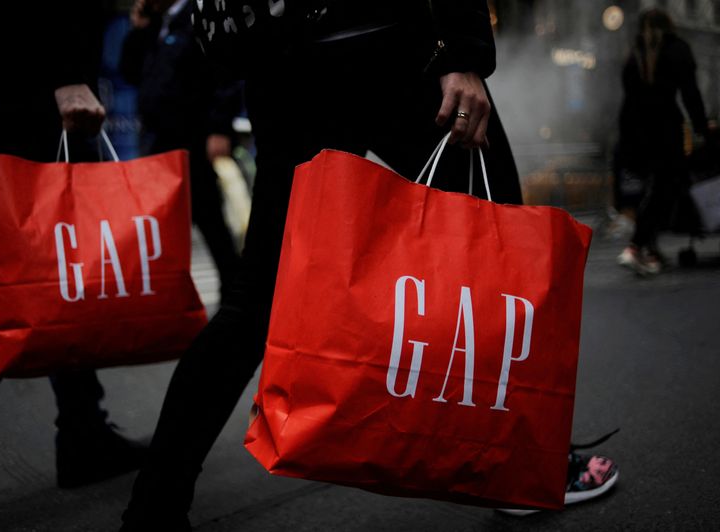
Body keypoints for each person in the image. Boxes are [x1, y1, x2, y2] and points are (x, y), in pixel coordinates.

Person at [119, 2, 617, 529]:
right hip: (391, 40)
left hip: (288, 65)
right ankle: (520, 468)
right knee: (499, 251)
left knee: (258, 298)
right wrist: (462, 52)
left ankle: (155, 507)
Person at [0, 2, 145, 528]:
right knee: (51, 285)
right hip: (33, 87)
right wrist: (66, 76)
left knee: (59, 276)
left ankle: (84, 429)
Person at [119, 0, 242, 300]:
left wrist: (219, 128)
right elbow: (130, 72)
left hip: (192, 142)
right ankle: (168, 301)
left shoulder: (197, 15)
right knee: (163, 230)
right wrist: (139, 31)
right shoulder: (158, 25)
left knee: (210, 220)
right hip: (158, 146)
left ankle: (235, 295)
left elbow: (227, 73)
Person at [615, 7, 708, 275]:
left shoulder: (634, 53)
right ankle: (636, 245)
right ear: (669, 26)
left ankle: (650, 249)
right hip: (665, 130)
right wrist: (701, 127)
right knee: (667, 187)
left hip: (634, 132)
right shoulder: (677, 49)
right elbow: (690, 93)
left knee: (649, 191)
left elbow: (628, 99)